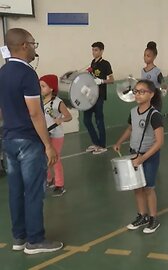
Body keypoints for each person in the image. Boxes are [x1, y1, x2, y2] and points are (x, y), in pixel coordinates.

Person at [0, 28, 63, 254]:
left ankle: (19, 237)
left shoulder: (2, 72)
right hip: (28, 141)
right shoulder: (27, 74)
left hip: (8, 139)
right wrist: (47, 145)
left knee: (15, 191)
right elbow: (36, 113)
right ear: (25, 45)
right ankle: (35, 240)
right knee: (34, 191)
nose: (35, 48)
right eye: (34, 44)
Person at [113, 80, 164, 234]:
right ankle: (142, 215)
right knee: (137, 187)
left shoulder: (154, 115)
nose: (138, 94)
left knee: (148, 187)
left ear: (151, 94)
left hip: (149, 155)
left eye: (142, 91)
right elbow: (130, 128)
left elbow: (160, 142)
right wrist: (119, 142)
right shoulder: (133, 111)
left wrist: (143, 158)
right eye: (136, 91)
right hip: (134, 154)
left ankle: (153, 218)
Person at [40, 74, 72, 197]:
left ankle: (60, 185)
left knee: (55, 159)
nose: (40, 88)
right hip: (45, 134)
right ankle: (49, 179)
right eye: (40, 86)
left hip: (56, 135)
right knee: (45, 158)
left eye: (43, 86)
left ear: (52, 88)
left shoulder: (58, 102)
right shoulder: (40, 101)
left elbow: (69, 116)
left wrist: (61, 120)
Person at [84, 41, 114, 155]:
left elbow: (112, 80)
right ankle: (96, 143)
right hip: (90, 95)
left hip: (99, 96)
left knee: (99, 121)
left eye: (96, 50)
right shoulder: (93, 62)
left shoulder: (105, 64)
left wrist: (101, 81)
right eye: (92, 50)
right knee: (86, 120)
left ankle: (102, 145)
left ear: (101, 51)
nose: (93, 52)